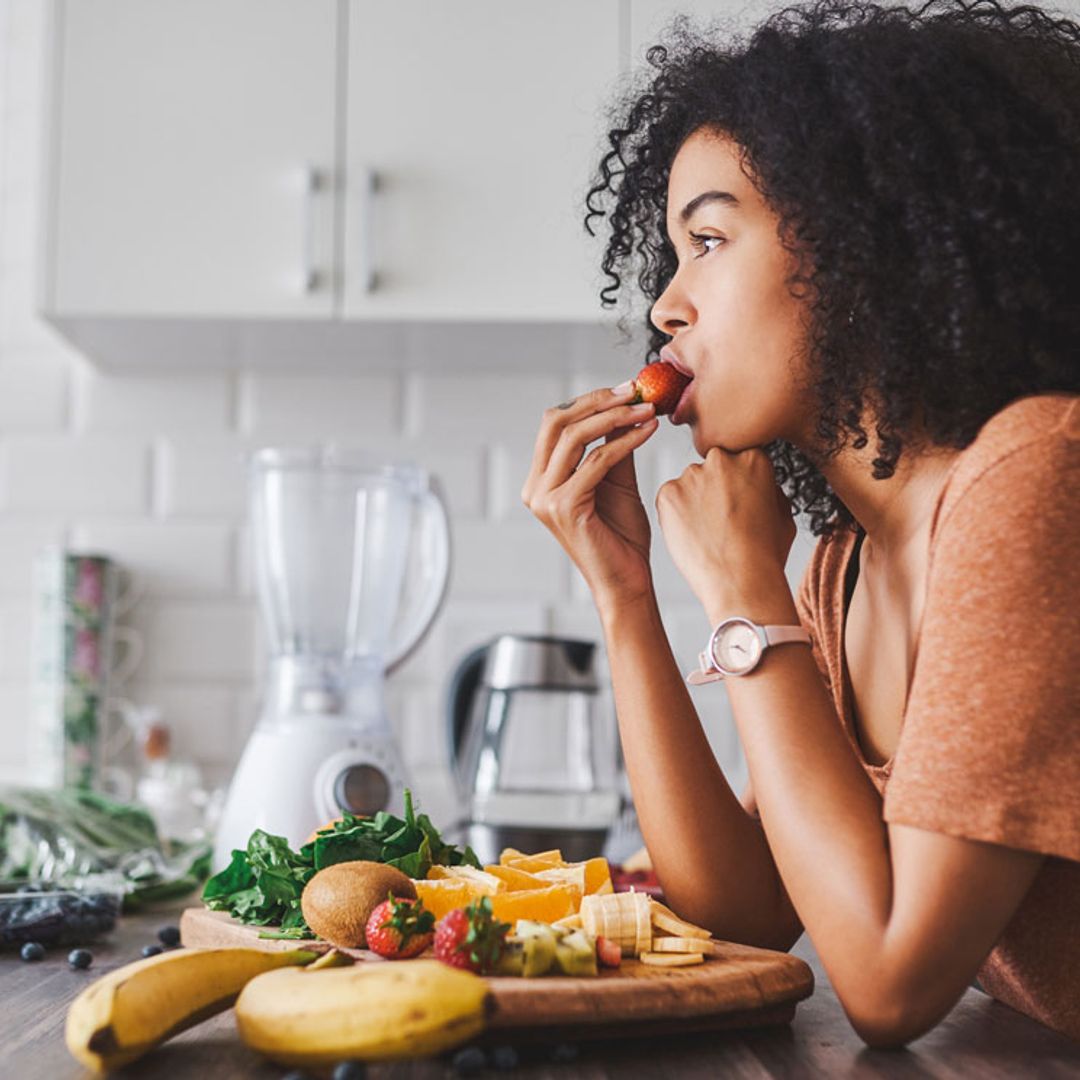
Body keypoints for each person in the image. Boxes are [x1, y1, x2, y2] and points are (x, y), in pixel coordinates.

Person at [522, 0, 1080, 1049]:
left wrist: (743, 598)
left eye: (710, 240)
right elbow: (742, 911)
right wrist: (626, 594)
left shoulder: (1037, 476)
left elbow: (886, 985)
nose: (667, 308)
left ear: (862, 247)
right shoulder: (842, 565)